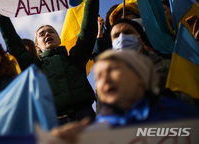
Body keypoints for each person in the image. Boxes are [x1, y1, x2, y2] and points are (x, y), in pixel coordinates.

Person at [0, 0, 101, 125]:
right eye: (42, 34)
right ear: (37, 47)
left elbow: (88, 31)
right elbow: (14, 44)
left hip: (87, 119)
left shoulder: (75, 57)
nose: (47, 34)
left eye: (51, 31)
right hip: (53, 125)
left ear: (59, 39)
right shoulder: (34, 67)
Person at [51, 50, 199, 143]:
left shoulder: (181, 112)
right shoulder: (92, 133)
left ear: (139, 76)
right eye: (99, 76)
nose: (105, 80)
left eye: (112, 70)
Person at [110, 18, 170, 93]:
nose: (122, 38)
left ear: (141, 39)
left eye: (128, 32)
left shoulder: (168, 67)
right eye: (116, 35)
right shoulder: (107, 80)